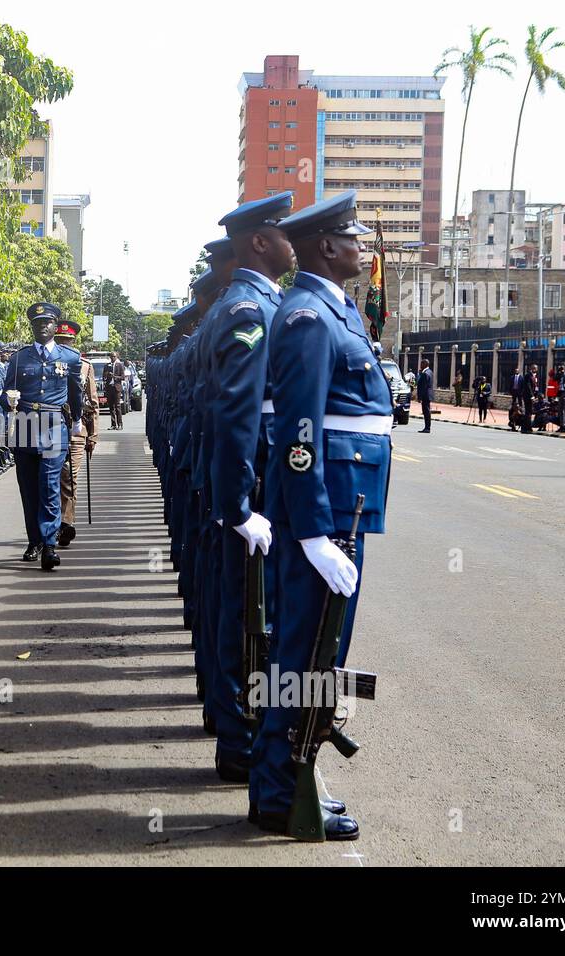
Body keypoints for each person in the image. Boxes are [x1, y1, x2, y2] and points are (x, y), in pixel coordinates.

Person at [254, 190, 392, 842]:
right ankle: (281, 793)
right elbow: (298, 433)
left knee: (318, 655)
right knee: (302, 655)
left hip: (346, 508)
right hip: (326, 515)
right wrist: (310, 533)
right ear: (325, 248)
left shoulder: (336, 310)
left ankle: (294, 779)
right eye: (353, 236)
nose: (362, 244)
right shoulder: (308, 317)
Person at [200, 192, 293, 783]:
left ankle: (242, 735)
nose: (294, 241)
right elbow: (237, 412)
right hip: (252, 480)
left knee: (247, 610)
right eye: (284, 231)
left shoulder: (256, 301)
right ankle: (239, 743)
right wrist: (237, 507)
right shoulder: (248, 309)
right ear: (259, 241)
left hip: (253, 474)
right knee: (246, 613)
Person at [1, 302, 83, 571]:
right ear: (32, 327)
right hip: (25, 424)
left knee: (49, 486)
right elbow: (5, 394)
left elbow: (75, 393)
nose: (42, 327)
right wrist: (8, 400)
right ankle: (34, 540)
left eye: (47, 323)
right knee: (29, 488)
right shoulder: (19, 358)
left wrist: (77, 422)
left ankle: (49, 544)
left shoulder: (69, 357)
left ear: (55, 326)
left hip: (52, 425)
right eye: (37, 323)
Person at [54, 318, 98, 547]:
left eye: (68, 341)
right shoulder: (50, 364)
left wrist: (93, 435)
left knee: (69, 475)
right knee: (54, 476)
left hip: (76, 430)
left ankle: (66, 522)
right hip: (51, 428)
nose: (65, 345)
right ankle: (54, 522)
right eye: (60, 341)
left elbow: (92, 401)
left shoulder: (85, 366)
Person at [104, 352, 125, 429]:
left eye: (114, 356)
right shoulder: (107, 365)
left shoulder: (120, 365)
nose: (112, 358)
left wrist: (114, 376)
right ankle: (113, 424)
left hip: (117, 388)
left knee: (117, 406)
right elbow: (104, 376)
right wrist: (106, 375)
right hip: (109, 387)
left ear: (117, 357)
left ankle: (120, 424)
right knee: (111, 407)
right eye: (111, 356)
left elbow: (123, 377)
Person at [416, 358, 433, 433]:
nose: (420, 365)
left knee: (426, 411)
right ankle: (427, 427)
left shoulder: (425, 374)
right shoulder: (429, 372)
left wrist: (419, 397)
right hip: (427, 394)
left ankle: (427, 428)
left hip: (425, 395)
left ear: (425, 364)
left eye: (421, 364)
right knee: (426, 411)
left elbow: (423, 386)